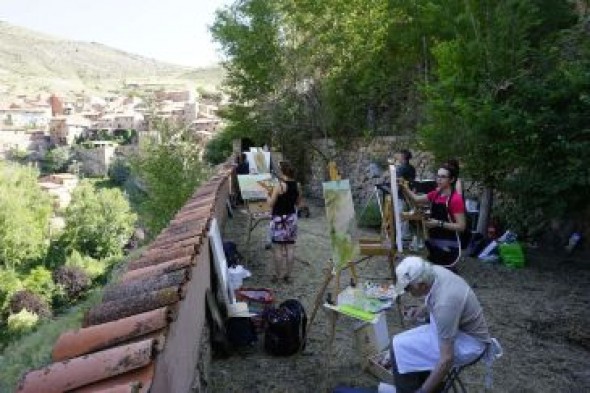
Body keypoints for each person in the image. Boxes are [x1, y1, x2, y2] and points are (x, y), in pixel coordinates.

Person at [391, 256, 491, 393]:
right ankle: (432, 386)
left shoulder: (445, 305)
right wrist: (422, 310)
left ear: (422, 285)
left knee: (398, 348)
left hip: (469, 343)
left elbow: (446, 359)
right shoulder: (434, 271)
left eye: (408, 288)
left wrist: (423, 391)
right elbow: (434, 296)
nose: (407, 292)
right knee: (400, 346)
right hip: (457, 329)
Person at [400, 159, 466, 268]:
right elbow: (416, 199)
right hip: (433, 244)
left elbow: (461, 227)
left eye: (443, 177)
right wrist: (404, 187)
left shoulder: (455, 199)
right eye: (438, 176)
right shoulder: (435, 194)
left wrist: (438, 223)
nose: (439, 179)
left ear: (452, 179)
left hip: (450, 246)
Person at [267, 161, 300, 283]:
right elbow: (297, 203)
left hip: (279, 220)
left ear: (282, 172)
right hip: (291, 218)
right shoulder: (297, 185)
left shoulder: (280, 186)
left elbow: (271, 203)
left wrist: (267, 195)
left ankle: (279, 276)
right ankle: (288, 276)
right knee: (290, 248)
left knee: (278, 249)